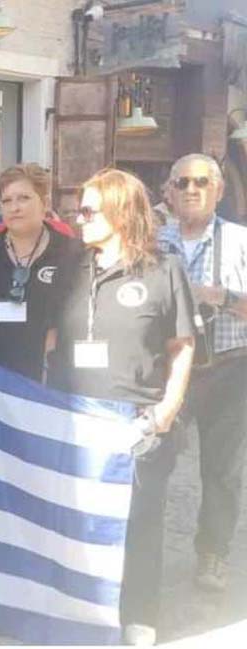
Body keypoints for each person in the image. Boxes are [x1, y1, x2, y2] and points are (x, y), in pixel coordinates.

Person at [46, 168, 195, 646]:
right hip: (77, 418)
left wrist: (167, 410)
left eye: (89, 211)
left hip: (136, 421)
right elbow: (50, 335)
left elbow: (182, 346)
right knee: (78, 514)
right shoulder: (72, 266)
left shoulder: (164, 269)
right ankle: (81, 604)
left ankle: (138, 612)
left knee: (139, 522)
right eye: (78, 211)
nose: (80, 219)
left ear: (121, 212)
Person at [157, 153, 247, 593]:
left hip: (228, 367)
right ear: (169, 191)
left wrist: (221, 297)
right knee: (153, 461)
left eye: (201, 182)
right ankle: (141, 551)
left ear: (219, 190)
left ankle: (212, 554)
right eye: (182, 183)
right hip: (170, 370)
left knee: (223, 468)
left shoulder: (241, 241)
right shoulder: (154, 242)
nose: (191, 190)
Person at [0, 163, 84, 382]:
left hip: (49, 379)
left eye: (23, 198)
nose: (14, 208)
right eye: (7, 201)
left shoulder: (71, 253)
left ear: (44, 203)